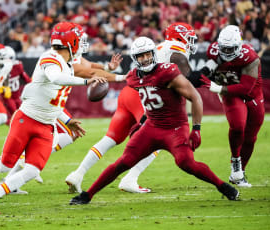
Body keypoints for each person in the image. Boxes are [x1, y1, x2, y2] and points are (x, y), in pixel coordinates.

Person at [69, 36, 239, 206]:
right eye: (140, 56)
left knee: (186, 163)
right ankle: (87, 195)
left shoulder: (168, 71)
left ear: (154, 54)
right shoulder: (134, 75)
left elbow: (196, 98)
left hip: (175, 128)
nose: (145, 59)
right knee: (123, 162)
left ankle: (222, 186)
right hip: (151, 127)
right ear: (135, 59)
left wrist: (196, 128)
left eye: (147, 54)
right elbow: (125, 85)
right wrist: (142, 121)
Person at [0, 22, 107, 215]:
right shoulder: (50, 57)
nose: (81, 45)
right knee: (4, 166)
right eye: (78, 40)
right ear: (71, 42)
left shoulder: (68, 66)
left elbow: (53, 101)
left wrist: (67, 121)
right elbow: (55, 78)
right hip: (26, 119)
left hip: (47, 126)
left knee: (32, 171)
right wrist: (87, 81)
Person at [65, 22, 199, 194]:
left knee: (110, 138)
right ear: (180, 37)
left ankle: (78, 174)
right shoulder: (175, 50)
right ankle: (130, 178)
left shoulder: (160, 47)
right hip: (144, 95)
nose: (191, 42)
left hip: (129, 92)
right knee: (157, 139)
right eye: (189, 38)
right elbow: (188, 80)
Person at [201, 25, 264, 187]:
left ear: (239, 45)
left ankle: (239, 173)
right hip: (231, 94)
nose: (227, 53)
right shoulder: (213, 51)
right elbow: (208, 70)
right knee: (237, 127)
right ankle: (236, 161)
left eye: (231, 49)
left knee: (250, 138)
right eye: (224, 49)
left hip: (252, 95)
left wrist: (218, 88)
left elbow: (245, 88)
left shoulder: (250, 57)